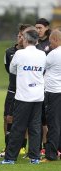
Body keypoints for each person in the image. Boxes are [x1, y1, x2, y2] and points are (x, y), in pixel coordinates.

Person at [1, 28, 46, 164]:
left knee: (18, 127)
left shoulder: (19, 53)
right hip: (38, 96)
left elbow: (12, 69)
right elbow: (43, 70)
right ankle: (35, 157)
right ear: (37, 41)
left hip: (23, 96)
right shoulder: (42, 54)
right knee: (35, 127)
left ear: (25, 40)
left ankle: (10, 158)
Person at [0, 24, 32, 158]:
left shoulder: (32, 52)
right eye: (19, 35)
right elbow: (9, 69)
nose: (20, 38)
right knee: (7, 118)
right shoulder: (9, 52)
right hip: (12, 89)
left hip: (26, 90)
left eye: (23, 36)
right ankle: (8, 146)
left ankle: (22, 146)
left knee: (25, 120)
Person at [41, 29, 61, 162]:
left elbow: (41, 68)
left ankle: (51, 155)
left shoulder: (53, 54)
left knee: (53, 124)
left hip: (53, 92)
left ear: (55, 40)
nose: (50, 45)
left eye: (50, 42)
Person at [35, 18, 51, 156]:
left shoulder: (50, 44)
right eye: (36, 28)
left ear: (47, 27)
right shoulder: (34, 44)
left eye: (40, 27)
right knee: (37, 119)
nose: (38, 30)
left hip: (49, 86)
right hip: (35, 86)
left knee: (46, 120)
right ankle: (37, 147)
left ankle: (48, 146)